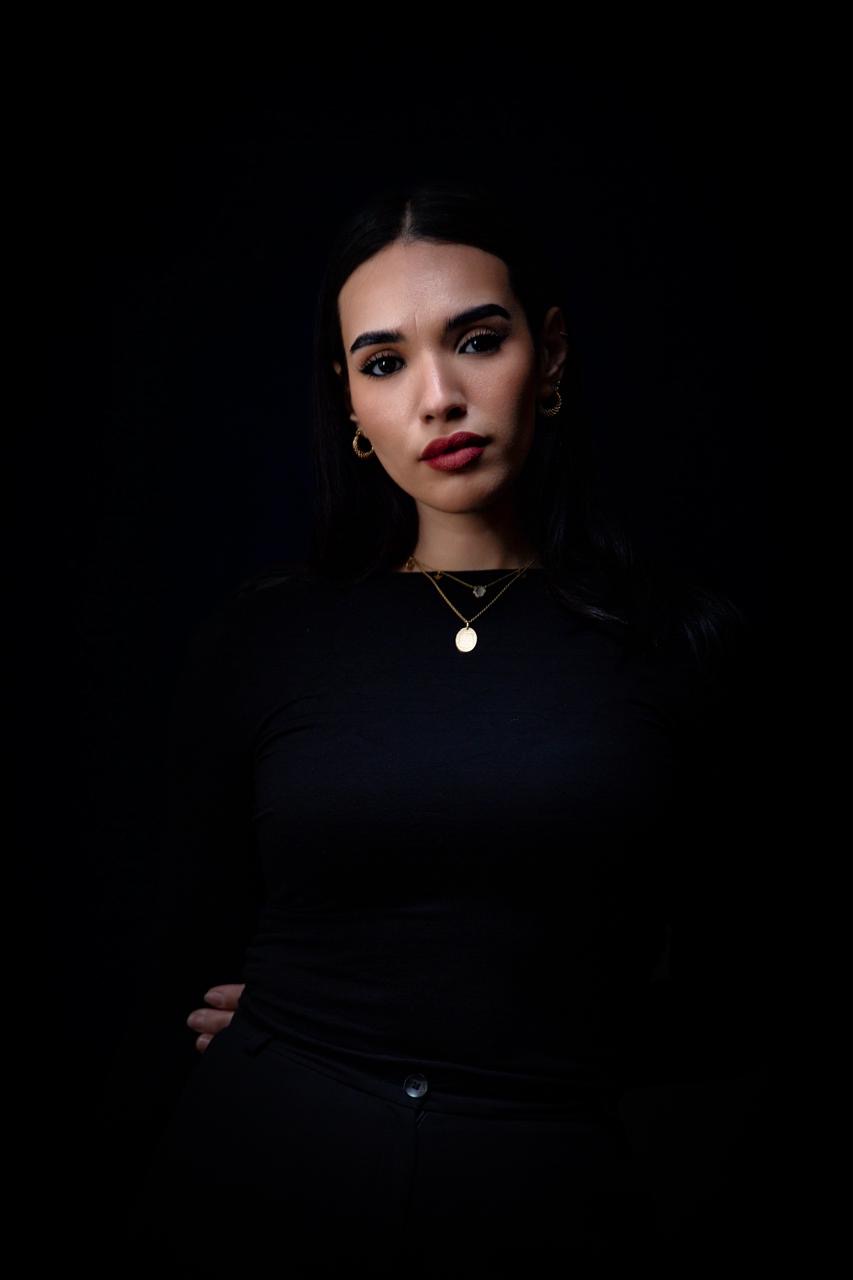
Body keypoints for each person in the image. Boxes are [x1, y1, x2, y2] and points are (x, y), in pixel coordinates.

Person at [99, 176, 775, 1277]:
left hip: (543, 1205)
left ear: (549, 355)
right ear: (349, 405)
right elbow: (177, 963)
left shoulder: (682, 642)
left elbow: (745, 993)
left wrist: (467, 1034)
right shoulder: (265, 639)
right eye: (384, 362)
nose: (438, 398)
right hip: (254, 1177)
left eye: (476, 341)